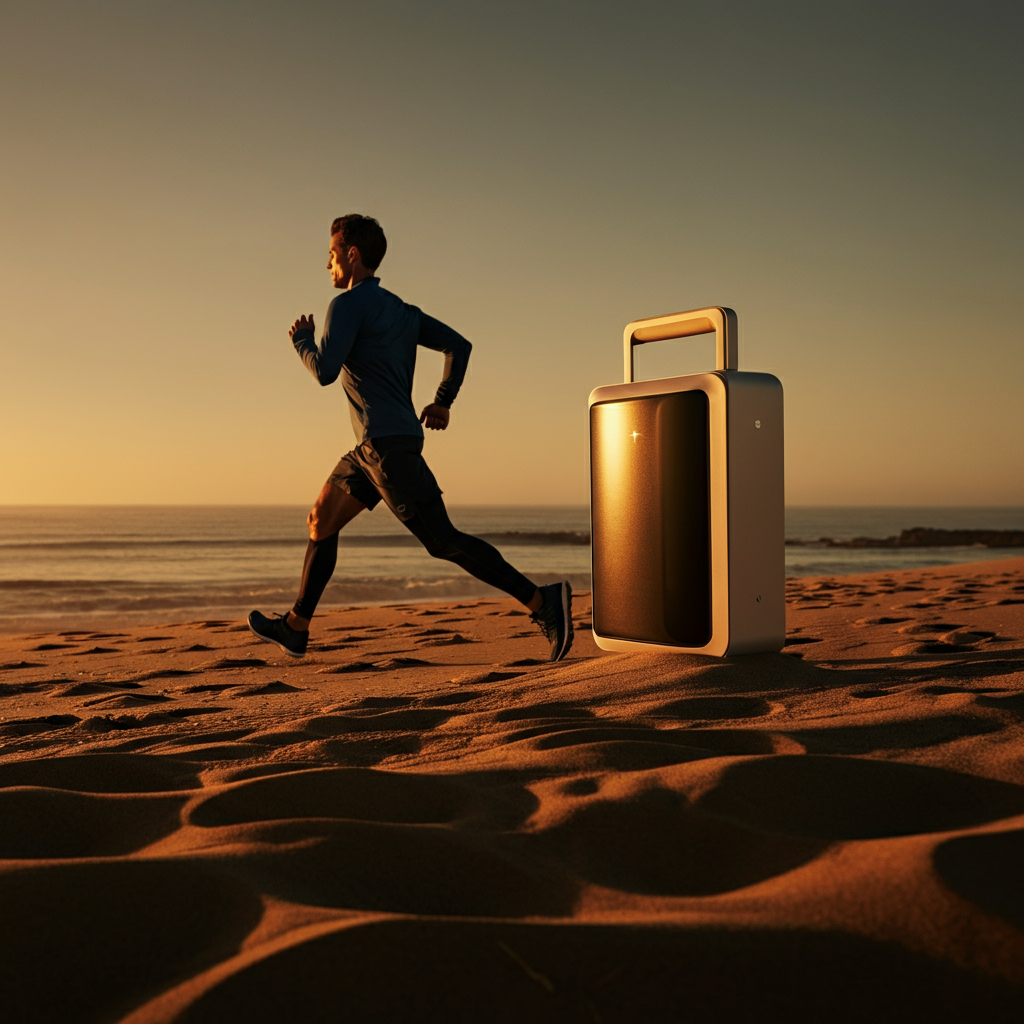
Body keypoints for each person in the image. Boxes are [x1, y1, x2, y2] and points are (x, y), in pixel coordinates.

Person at [248, 214, 573, 661]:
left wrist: (303, 341)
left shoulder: (344, 307)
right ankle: (296, 626)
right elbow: (460, 345)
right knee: (321, 520)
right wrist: (443, 401)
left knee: (443, 541)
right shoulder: (402, 311)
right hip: (370, 449)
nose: (327, 265)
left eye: (330, 255)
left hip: (387, 448)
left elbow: (324, 371)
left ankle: (543, 602)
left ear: (351, 254)